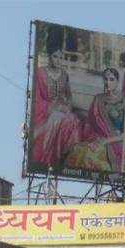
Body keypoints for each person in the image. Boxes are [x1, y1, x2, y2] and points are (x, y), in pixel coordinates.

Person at [32, 25, 82, 167]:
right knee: (57, 120)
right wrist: (51, 108)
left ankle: (66, 160)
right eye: (55, 56)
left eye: (60, 57)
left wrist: (67, 107)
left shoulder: (64, 74)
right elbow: (37, 99)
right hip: (45, 113)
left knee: (74, 121)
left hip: (61, 110)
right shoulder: (41, 73)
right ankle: (50, 160)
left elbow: (69, 95)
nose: (58, 60)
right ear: (49, 56)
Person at [65, 67, 125, 171]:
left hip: (117, 142)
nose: (108, 82)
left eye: (111, 79)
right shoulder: (98, 98)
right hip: (98, 138)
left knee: (90, 156)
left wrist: (106, 140)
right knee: (78, 150)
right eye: (105, 79)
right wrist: (97, 139)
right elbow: (90, 125)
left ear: (117, 81)